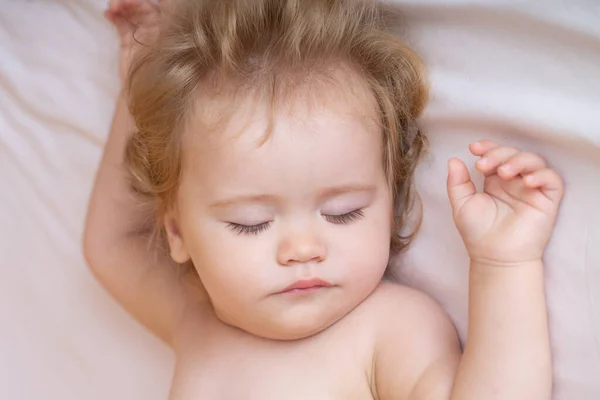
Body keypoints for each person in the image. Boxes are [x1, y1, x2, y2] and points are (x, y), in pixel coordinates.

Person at [85, 0, 564, 398]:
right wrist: (144, 74)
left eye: (343, 213)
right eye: (251, 222)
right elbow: (112, 245)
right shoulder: (198, 319)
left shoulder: (385, 329)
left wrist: (504, 266)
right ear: (176, 231)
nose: (303, 248)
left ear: (390, 201)